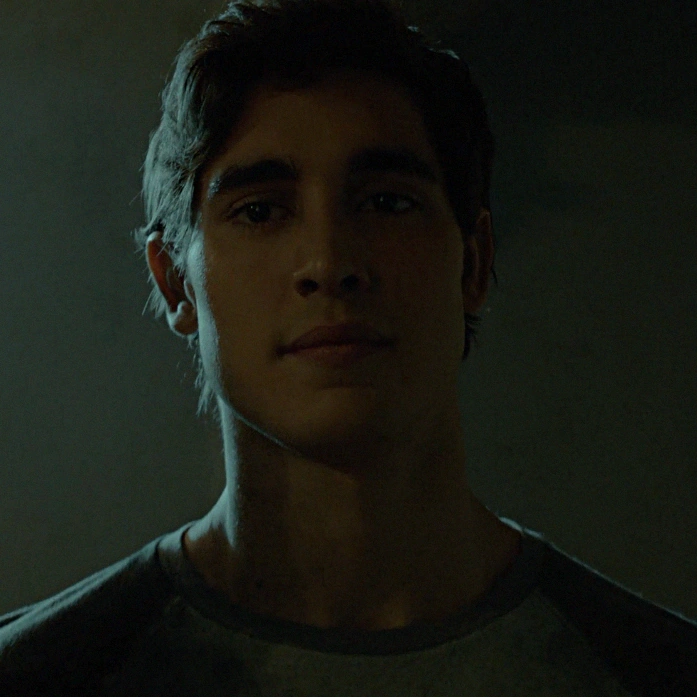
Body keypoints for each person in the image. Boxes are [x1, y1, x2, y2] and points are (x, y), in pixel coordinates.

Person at [1, 0, 695, 695]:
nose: (329, 263)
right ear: (175, 280)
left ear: (473, 262)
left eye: (386, 202)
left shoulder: (651, 672)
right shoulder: (41, 674)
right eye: (260, 210)